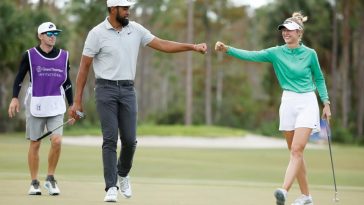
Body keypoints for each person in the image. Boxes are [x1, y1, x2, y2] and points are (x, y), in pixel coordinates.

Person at [68, 0, 207, 202]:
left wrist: (192, 47)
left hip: (127, 90)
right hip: (105, 90)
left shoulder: (136, 29)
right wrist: (77, 101)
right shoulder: (96, 33)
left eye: (129, 9)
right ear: (113, 9)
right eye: (124, 9)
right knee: (109, 139)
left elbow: (163, 44)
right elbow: (83, 68)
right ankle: (111, 186)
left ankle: (123, 174)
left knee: (130, 141)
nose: (128, 12)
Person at [215, 12, 331, 205]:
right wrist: (228, 49)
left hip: (307, 102)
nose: (286, 33)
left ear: (299, 32)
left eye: (290, 30)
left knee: (296, 150)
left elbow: (319, 78)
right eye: (284, 30)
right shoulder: (275, 52)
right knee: (295, 153)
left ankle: (283, 191)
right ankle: (306, 196)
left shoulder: (310, 54)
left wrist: (326, 103)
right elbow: (252, 56)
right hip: (288, 102)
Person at [8, 22, 73, 196]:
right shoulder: (29, 55)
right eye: (49, 33)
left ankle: (50, 178)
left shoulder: (64, 56)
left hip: (56, 104)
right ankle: (34, 182)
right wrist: (14, 98)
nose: (53, 36)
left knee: (57, 141)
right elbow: (19, 78)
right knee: (35, 144)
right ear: (40, 36)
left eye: (55, 33)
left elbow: (67, 83)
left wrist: (72, 104)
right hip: (36, 103)